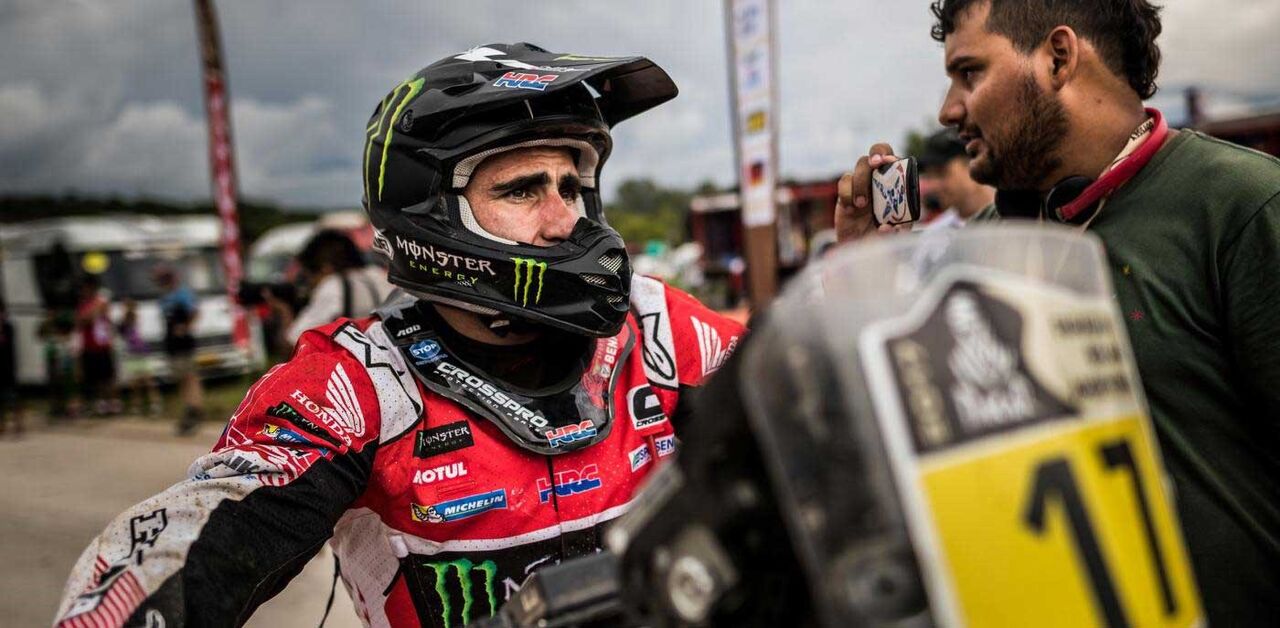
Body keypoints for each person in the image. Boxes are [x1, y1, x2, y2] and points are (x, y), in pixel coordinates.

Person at [54, 43, 745, 628]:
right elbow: (174, 549)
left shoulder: (657, 327)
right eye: (521, 190)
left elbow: (792, 397)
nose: (565, 219)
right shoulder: (356, 383)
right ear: (431, 212)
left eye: (572, 186)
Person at [835, 1, 1280, 623]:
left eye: (969, 73)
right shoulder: (979, 247)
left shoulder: (1243, 206)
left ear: (1059, 57)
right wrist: (867, 282)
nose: (948, 110)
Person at [266, 228, 394, 349]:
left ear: (325, 268)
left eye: (309, 275)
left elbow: (294, 343)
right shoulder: (379, 275)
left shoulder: (333, 285)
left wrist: (283, 311)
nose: (310, 284)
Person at [155, 267, 203, 435]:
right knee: (181, 378)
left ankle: (194, 409)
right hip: (172, 344)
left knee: (189, 376)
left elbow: (195, 311)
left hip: (184, 343)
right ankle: (189, 409)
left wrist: (186, 327)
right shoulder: (163, 297)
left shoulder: (182, 294)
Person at [916, 128, 994, 228]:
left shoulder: (1011, 220)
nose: (933, 186)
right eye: (930, 176)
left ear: (973, 164)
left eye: (941, 173)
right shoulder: (936, 234)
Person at [74, 276, 120, 417]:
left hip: (103, 345)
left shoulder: (102, 302)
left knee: (108, 377)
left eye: (87, 288)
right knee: (94, 378)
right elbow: (81, 321)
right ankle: (101, 404)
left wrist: (96, 310)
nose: (84, 291)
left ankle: (113, 404)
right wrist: (94, 311)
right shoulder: (84, 304)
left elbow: (106, 319)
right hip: (89, 347)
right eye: (83, 289)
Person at [116, 299, 161, 417]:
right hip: (132, 353)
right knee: (135, 382)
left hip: (141, 352)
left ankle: (154, 404)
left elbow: (132, 320)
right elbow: (120, 331)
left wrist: (128, 314)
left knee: (148, 379)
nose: (127, 309)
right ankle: (137, 406)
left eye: (128, 306)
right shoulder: (124, 322)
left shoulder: (135, 317)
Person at [0, 300, 23, 437]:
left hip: (8, 367)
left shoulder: (9, 328)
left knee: (13, 397)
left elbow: (9, 347)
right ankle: (2, 425)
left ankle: (18, 423)